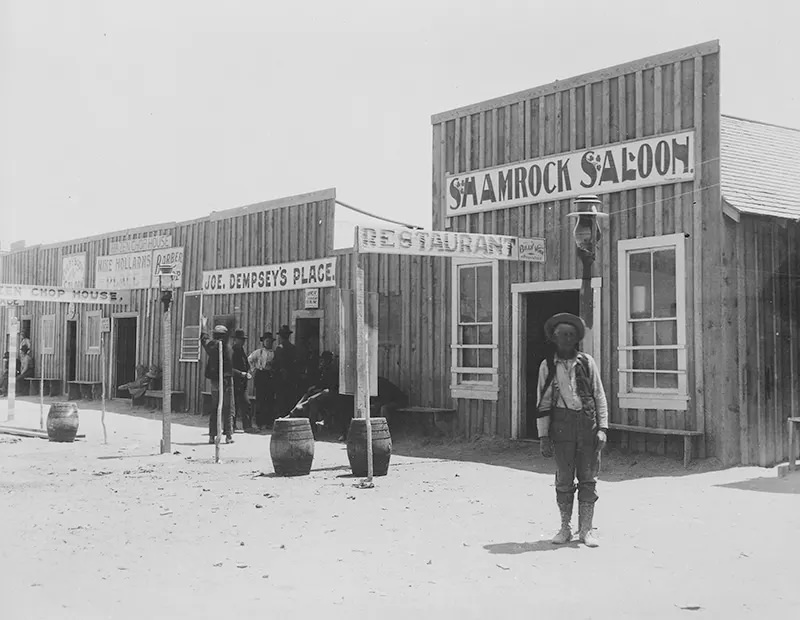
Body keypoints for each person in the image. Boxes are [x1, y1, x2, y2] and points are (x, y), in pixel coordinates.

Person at [536, 312, 608, 548]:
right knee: (564, 478)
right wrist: (544, 437)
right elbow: (543, 404)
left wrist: (603, 429)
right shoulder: (547, 366)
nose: (567, 339)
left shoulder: (587, 363)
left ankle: (585, 530)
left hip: (588, 426)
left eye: (571, 335)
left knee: (588, 478)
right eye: (562, 335)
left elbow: (599, 396)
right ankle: (565, 528)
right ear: (554, 338)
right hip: (561, 429)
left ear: (577, 338)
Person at [200, 321, 235, 444]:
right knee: (228, 407)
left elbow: (204, 339)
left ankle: (212, 435)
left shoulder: (211, 346)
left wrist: (204, 327)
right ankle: (229, 436)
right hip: (226, 380)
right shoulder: (226, 346)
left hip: (215, 381)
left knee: (215, 407)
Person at [248, 331, 276, 430]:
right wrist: (253, 368)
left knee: (269, 399)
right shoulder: (258, 352)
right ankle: (259, 422)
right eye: (266, 341)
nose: (268, 343)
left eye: (270, 341)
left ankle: (268, 422)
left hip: (269, 376)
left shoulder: (274, 353)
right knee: (260, 399)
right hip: (260, 375)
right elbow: (250, 359)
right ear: (263, 342)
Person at [272, 324, 299, 419]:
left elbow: (276, 364)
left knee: (281, 400)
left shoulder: (279, 348)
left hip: (281, 379)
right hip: (292, 379)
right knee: (290, 400)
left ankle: (282, 419)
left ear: (280, 336)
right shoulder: (293, 348)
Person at [231, 329, 254, 433]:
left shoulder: (241, 351)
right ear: (235, 340)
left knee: (246, 404)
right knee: (234, 404)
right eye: (241, 339)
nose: (243, 341)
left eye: (243, 339)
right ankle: (231, 426)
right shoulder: (232, 351)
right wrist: (241, 374)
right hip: (234, 382)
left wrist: (249, 370)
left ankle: (247, 426)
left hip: (242, 382)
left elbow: (246, 364)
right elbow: (229, 368)